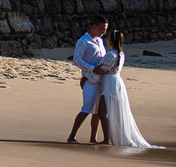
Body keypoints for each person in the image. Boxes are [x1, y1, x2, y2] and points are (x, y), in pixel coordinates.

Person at [95, 30, 162, 148]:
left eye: (109, 38)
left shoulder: (111, 55)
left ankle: (106, 138)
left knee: (102, 111)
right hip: (116, 80)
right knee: (109, 110)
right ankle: (109, 137)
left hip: (110, 82)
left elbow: (100, 69)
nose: (107, 39)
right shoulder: (121, 54)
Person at [66, 16, 109, 144]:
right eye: (102, 29)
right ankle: (72, 136)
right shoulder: (83, 41)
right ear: (94, 27)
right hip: (90, 79)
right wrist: (92, 68)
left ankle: (93, 138)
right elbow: (77, 60)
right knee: (87, 108)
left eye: (105, 29)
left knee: (97, 111)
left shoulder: (100, 41)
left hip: (101, 79)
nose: (104, 32)